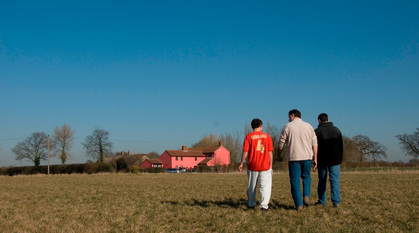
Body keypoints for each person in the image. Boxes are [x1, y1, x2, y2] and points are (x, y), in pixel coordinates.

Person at [278, 109, 318, 210]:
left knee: (295, 181)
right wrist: (315, 158)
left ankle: (299, 204)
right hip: (307, 157)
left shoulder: (288, 126)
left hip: (294, 157)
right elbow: (314, 143)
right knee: (306, 177)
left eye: (289, 116)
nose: (288, 118)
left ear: (292, 115)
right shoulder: (309, 126)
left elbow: (281, 143)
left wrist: (279, 154)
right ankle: (306, 196)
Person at [239, 118, 274, 211]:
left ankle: (251, 203)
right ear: (261, 125)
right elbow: (270, 151)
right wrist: (271, 163)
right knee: (265, 186)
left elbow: (245, 151)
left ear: (252, 126)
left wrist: (242, 162)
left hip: (253, 164)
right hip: (265, 164)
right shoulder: (267, 136)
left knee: (252, 186)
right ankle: (264, 205)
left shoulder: (248, 137)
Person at [314, 113, 343, 207]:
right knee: (334, 180)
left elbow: (314, 147)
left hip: (322, 160)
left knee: (322, 180)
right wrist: (340, 159)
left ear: (319, 120)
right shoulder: (336, 130)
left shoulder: (317, 131)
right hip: (335, 160)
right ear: (328, 119)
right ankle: (336, 201)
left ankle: (322, 201)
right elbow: (340, 147)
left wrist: (314, 160)